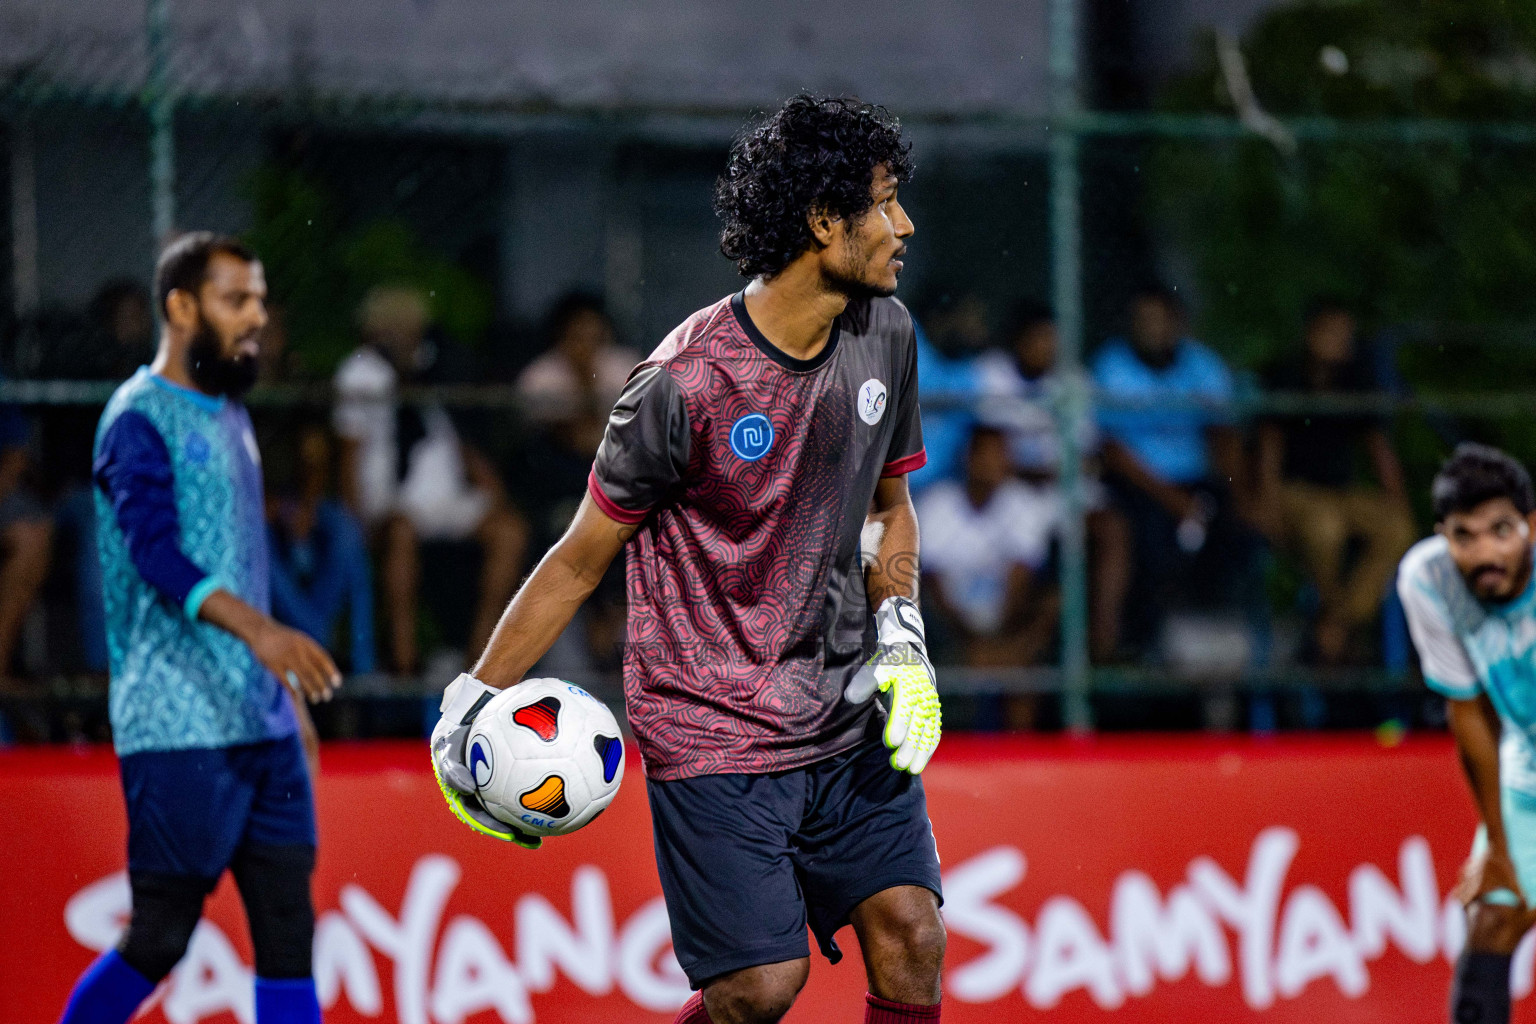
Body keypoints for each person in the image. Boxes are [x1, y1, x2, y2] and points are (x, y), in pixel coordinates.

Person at [431, 95, 945, 1024]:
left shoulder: (889, 336)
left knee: (913, 934)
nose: (903, 225)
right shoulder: (682, 383)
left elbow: (891, 511)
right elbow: (581, 559)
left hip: (844, 705)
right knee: (758, 988)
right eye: (884, 203)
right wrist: (470, 697)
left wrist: (901, 639)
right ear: (824, 222)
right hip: (714, 727)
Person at [56, 232, 340, 1024]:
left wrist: (280, 689)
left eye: (258, 298)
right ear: (181, 307)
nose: (257, 316)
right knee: (160, 935)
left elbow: (239, 561)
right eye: (236, 299)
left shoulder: (230, 411)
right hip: (177, 723)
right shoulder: (135, 419)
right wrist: (264, 635)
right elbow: (156, 554)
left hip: (261, 721)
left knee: (288, 929)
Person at [1397, 443, 1536, 1024]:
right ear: (1444, 536)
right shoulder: (1428, 580)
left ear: (1531, 526)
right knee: (1491, 919)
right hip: (1527, 764)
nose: (1485, 553)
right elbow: (1471, 713)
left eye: (1501, 531)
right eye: (1465, 535)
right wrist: (1499, 850)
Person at [332, 284, 528, 672]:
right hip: (393, 498)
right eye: (397, 329)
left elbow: (450, 434)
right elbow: (349, 455)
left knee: (510, 531)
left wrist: (482, 475)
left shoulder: (429, 366)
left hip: (445, 496)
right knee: (402, 534)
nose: (408, 337)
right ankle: (406, 664)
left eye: (412, 328)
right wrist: (355, 519)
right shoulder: (361, 374)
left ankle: (484, 654)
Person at [1092, 285, 1268, 660]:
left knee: (1239, 532)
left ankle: (1227, 648)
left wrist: (1239, 497)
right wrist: (1173, 500)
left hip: (1195, 485)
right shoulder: (1112, 366)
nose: (1151, 330)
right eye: (1143, 322)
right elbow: (1111, 452)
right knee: (1147, 543)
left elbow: (1224, 436)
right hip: (1138, 486)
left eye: (1159, 321)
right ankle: (1139, 648)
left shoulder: (1201, 365)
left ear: (1177, 324)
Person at [1257, 299, 1415, 663]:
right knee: (1324, 528)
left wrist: (1398, 499)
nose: (1341, 341)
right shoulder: (1286, 376)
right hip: (1296, 492)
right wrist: (1266, 505)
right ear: (1311, 333)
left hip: (1342, 493)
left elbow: (1379, 448)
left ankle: (1335, 622)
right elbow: (1269, 446)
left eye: (1347, 334)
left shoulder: (1356, 380)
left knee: (1397, 527)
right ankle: (1339, 629)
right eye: (1333, 332)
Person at [976, 304, 1132, 662]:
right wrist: (1044, 470)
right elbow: (993, 456)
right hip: (1013, 495)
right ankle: (1010, 638)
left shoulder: (1073, 381)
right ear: (1019, 340)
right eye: (1039, 338)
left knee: (1112, 528)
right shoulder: (992, 374)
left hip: (1064, 492)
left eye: (1053, 339)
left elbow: (1089, 457)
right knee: (1026, 547)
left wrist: (1052, 470)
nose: (1048, 347)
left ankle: (1104, 638)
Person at [917, 422, 1058, 668]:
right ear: (968, 457)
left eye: (1000, 454)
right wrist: (969, 639)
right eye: (985, 453)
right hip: (948, 629)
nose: (991, 463)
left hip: (1008, 626)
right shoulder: (936, 503)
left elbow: (1021, 581)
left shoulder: (1024, 504)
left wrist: (998, 640)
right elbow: (932, 586)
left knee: (1052, 602)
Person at [267, 423, 375, 674]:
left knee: (350, 538)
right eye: (305, 466)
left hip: (321, 614)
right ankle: (317, 639)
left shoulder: (336, 523)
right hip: (288, 622)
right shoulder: (272, 513)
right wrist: (286, 517)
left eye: (318, 468)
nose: (311, 476)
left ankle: (363, 670)